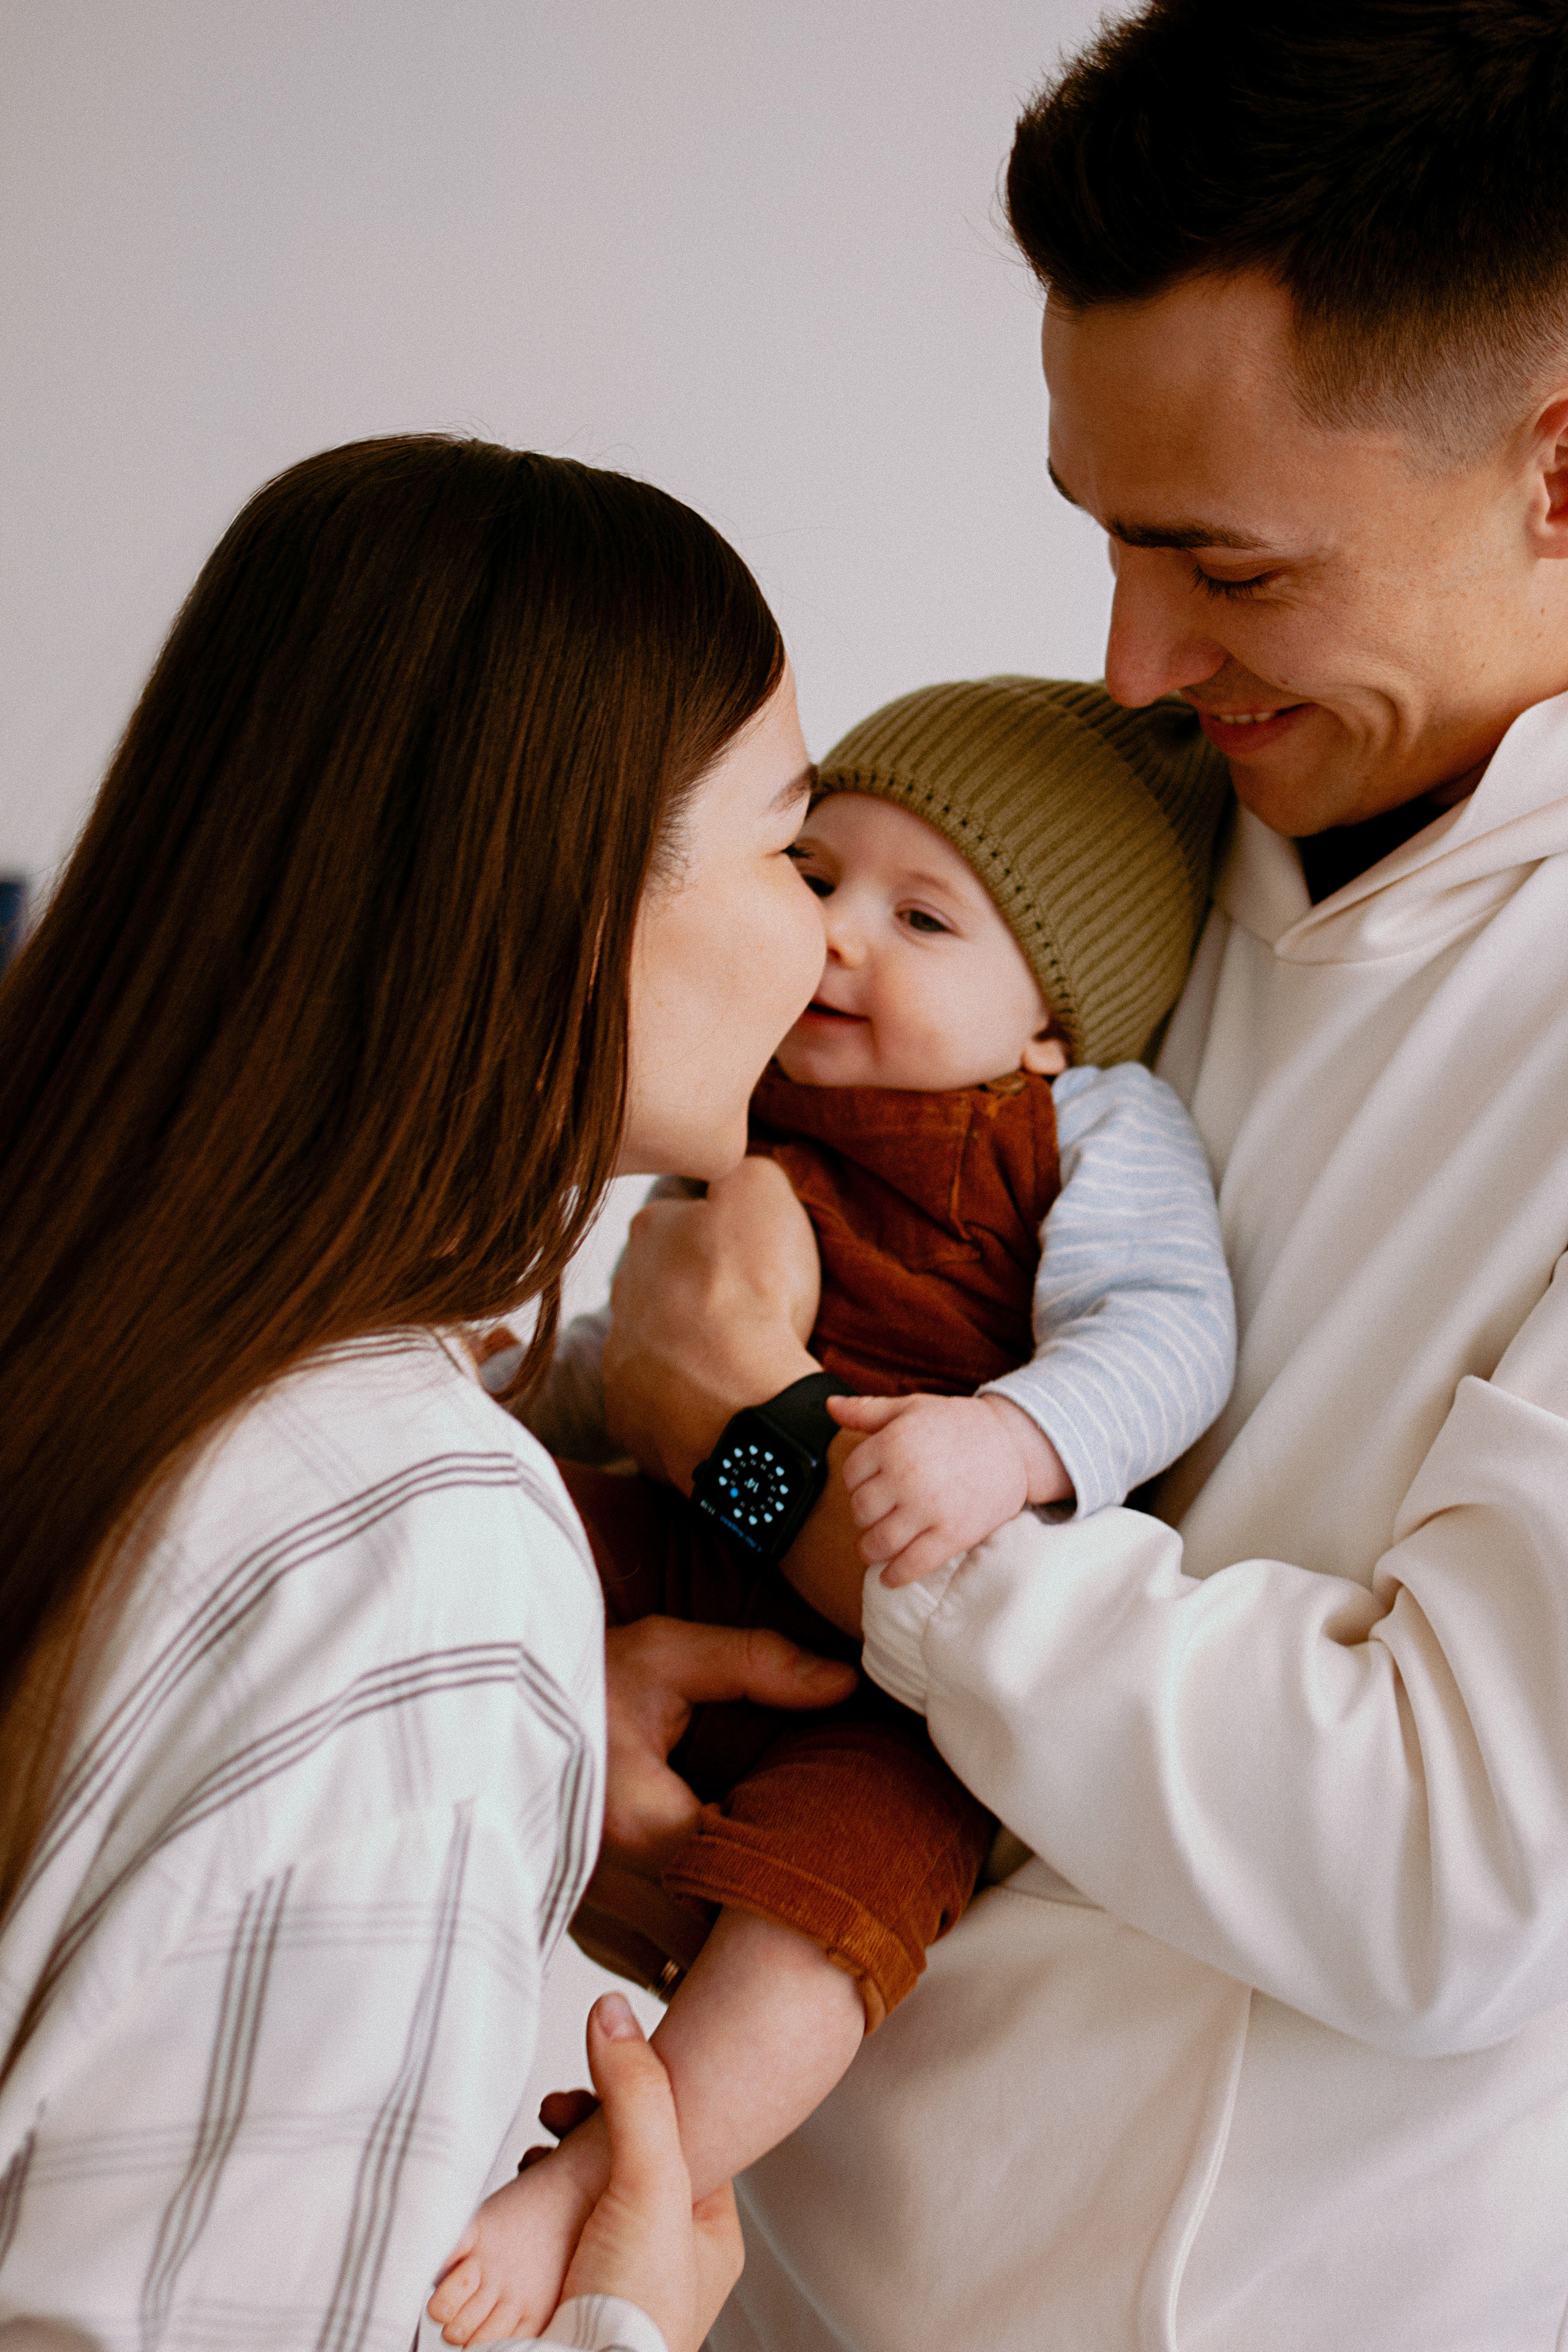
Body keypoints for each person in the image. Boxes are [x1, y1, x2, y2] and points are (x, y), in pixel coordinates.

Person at [595, 6, 1568, 2347]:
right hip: (771, 2244)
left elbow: (1439, 1863)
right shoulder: (1073, 868)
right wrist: (638, 1618)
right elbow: (729, 1395)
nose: (1129, 659)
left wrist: (773, 1470)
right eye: (1103, 536)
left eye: (1222, 565)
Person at [0, 434, 862, 2352]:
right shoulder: (427, 1544)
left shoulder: (104, 1313)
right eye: (798, 853)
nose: (826, 948)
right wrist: (628, 2323)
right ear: (564, 902)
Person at [427, 677, 1235, 2345]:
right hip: (687, 1538)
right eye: (814, 876)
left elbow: (1168, 1335)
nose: (837, 936)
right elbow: (635, 1352)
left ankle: (609, 2177)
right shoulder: (748, 1087)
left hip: (893, 1693)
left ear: (1047, 1026)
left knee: (837, 1912)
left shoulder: (1083, 1126)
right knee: (461, 1519)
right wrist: (510, 1400)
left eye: (921, 915)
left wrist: (1011, 1439)